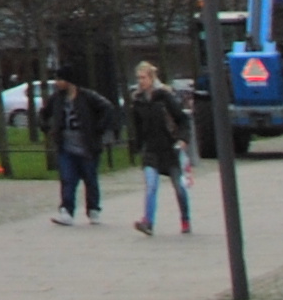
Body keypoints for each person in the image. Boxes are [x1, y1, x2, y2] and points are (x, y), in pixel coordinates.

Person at [123, 63, 191, 236]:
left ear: (152, 78)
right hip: (150, 150)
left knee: (179, 188)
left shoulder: (164, 97)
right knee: (151, 186)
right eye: (138, 78)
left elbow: (182, 119)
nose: (141, 81)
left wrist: (183, 139)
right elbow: (138, 126)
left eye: (143, 78)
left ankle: (185, 219)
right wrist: (138, 147)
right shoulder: (138, 100)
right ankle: (148, 222)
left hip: (170, 148)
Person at [46, 73, 109, 224]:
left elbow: (107, 108)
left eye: (61, 79)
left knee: (90, 179)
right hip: (66, 147)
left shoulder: (88, 97)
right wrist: (48, 127)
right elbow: (45, 113)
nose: (57, 82)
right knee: (67, 179)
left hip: (87, 146)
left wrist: (99, 128)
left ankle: (93, 209)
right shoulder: (57, 98)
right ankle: (67, 210)